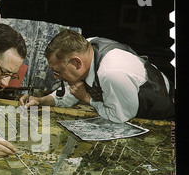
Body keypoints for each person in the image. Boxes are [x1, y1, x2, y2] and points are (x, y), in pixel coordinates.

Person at [19, 29, 175, 123]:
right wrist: (42, 101)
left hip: (160, 114)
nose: (56, 77)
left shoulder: (111, 73)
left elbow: (118, 117)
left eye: (58, 72)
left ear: (76, 63)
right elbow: (73, 89)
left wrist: (87, 98)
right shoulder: (86, 47)